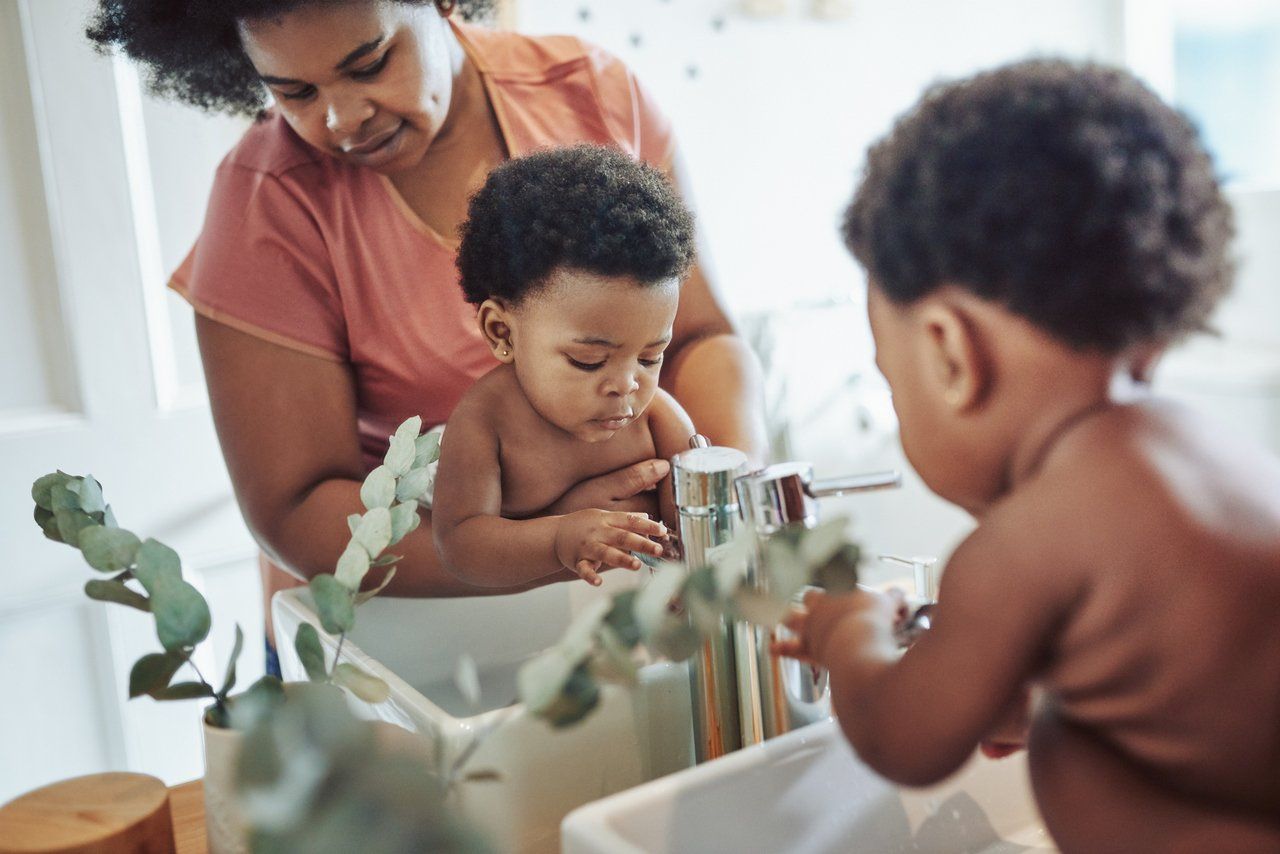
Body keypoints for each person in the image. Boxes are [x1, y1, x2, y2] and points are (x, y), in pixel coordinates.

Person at [86, 0, 767, 672]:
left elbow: (702, 338)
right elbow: (298, 507)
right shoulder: (268, 200)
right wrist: (544, 538)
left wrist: (716, 503)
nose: (341, 117)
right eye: (293, 91)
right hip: (401, 638)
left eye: (371, 63)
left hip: (622, 586)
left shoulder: (590, 93)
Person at [776, 59, 1280, 850]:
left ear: (949, 353)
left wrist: (850, 637)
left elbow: (904, 739)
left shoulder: (1026, 542)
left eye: (890, 373)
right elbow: (1186, 713)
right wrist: (1049, 696)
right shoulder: (1216, 457)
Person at [433, 145, 695, 587]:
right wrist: (559, 537)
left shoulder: (658, 419)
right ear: (503, 332)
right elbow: (459, 545)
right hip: (524, 622)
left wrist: (689, 572)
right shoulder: (486, 420)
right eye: (588, 360)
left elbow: (696, 523)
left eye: (651, 356)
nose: (627, 384)